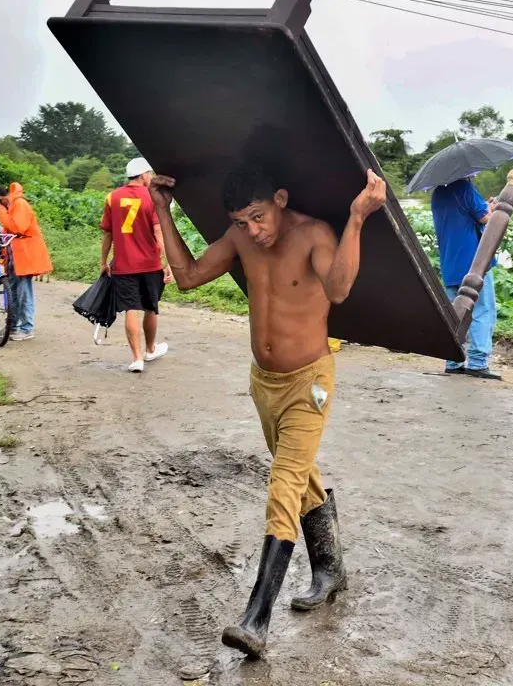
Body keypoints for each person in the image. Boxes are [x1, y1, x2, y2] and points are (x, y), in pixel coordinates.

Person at [151, 162, 386, 659]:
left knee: (283, 482)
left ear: (280, 198)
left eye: (258, 217)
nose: (252, 231)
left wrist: (358, 218)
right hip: (265, 383)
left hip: (310, 383)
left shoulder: (313, 234)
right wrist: (160, 211)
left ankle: (255, 618)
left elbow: (339, 290)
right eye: (241, 222)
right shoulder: (240, 241)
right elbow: (190, 277)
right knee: (300, 474)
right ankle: (331, 567)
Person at [101, 157, 173, 373]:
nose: (150, 178)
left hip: (123, 265)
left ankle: (136, 358)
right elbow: (159, 232)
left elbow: (107, 233)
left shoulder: (112, 197)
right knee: (151, 307)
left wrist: (103, 261)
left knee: (131, 308)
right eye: (149, 174)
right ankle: (150, 349)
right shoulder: (151, 198)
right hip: (150, 264)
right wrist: (168, 263)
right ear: (143, 175)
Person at [430, 177, 501, 379]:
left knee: (456, 314)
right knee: (482, 310)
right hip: (474, 262)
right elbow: (485, 218)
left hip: (450, 262)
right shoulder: (465, 187)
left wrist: (484, 207)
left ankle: (453, 361)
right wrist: (493, 208)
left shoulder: (438, 193)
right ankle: (478, 363)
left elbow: (461, 216)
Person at [0, 183, 52, 341]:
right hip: (14, 254)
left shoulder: (19, 204)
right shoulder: (11, 205)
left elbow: (19, 228)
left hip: (25, 254)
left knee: (23, 292)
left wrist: (1, 212)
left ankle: (27, 328)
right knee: (13, 292)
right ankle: (12, 327)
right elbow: (10, 228)